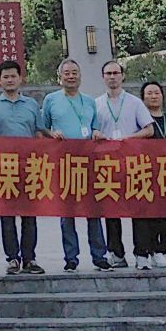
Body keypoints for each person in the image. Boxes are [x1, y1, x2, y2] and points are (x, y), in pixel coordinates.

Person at [41, 59, 110, 270]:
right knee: (67, 212)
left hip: (87, 161)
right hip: (63, 162)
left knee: (93, 210)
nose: (71, 76)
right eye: (67, 73)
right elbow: (43, 129)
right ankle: (71, 258)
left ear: (80, 76)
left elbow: (94, 127)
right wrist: (52, 133)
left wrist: (96, 132)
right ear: (59, 77)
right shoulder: (51, 100)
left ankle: (99, 256)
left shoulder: (89, 101)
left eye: (74, 72)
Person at [91, 57, 153, 266]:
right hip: (107, 164)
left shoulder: (135, 102)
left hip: (133, 162)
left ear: (122, 76)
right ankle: (116, 253)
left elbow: (149, 130)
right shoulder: (96, 104)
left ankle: (142, 254)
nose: (112, 77)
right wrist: (97, 134)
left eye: (115, 73)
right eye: (108, 74)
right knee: (111, 210)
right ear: (103, 77)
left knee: (138, 209)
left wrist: (128, 139)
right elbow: (92, 131)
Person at [0, 59, 43, 274]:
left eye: (13, 76)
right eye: (6, 77)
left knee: (30, 215)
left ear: (21, 79)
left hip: (29, 167)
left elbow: (39, 133)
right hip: (3, 167)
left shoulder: (31, 105)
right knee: (7, 215)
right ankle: (12, 258)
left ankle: (29, 258)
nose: (10, 80)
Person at [132, 81, 166, 268]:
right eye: (149, 93)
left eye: (157, 93)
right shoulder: (141, 120)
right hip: (145, 172)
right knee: (148, 214)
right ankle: (151, 251)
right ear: (143, 98)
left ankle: (165, 248)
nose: (154, 96)